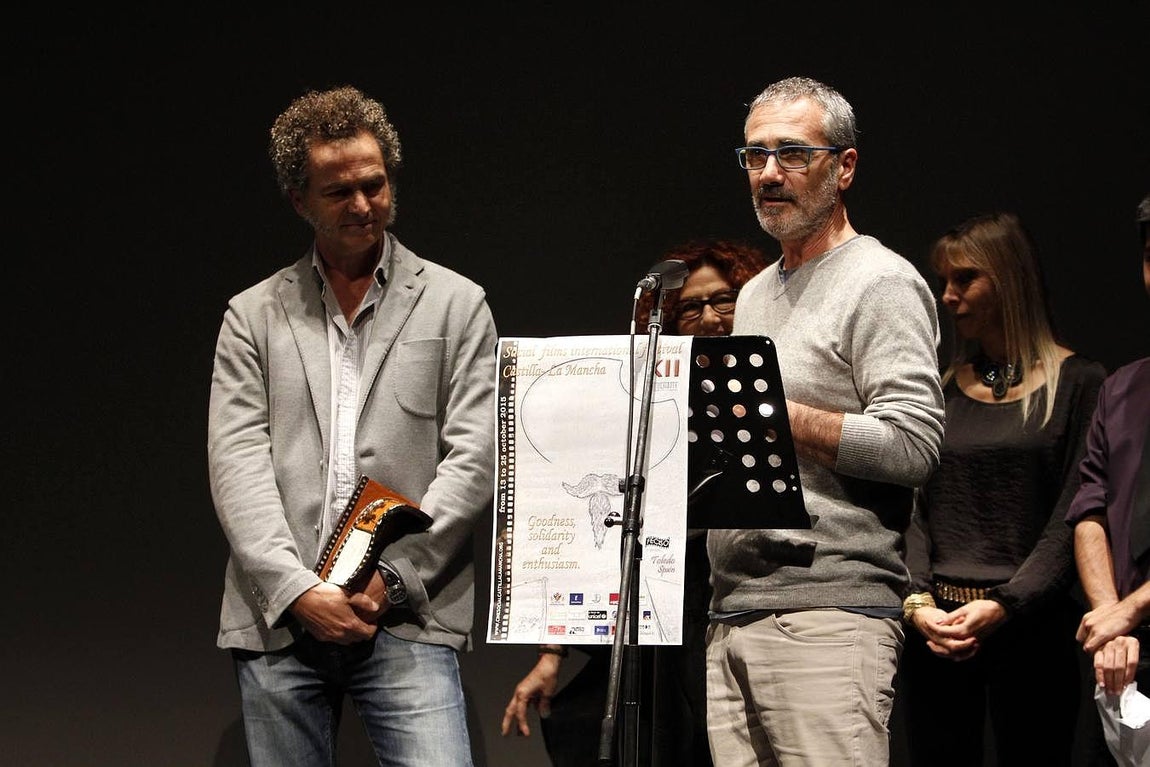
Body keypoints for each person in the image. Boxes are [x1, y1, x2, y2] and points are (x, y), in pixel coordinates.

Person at [207, 85, 497, 766]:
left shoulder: (457, 304)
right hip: (279, 614)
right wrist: (296, 589)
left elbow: (474, 457)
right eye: (340, 192)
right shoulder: (253, 316)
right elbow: (237, 462)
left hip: (403, 610)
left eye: (375, 184)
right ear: (299, 200)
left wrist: (392, 579)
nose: (364, 204)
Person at [707, 75, 946, 766]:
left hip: (828, 613)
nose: (769, 174)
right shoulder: (754, 293)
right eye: (755, 156)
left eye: (792, 154)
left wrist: (774, 413)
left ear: (844, 167)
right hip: (734, 612)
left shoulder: (881, 281)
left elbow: (913, 444)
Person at [500, 239, 769, 766]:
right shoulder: (643, 405)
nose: (710, 317)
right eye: (691, 307)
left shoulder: (772, 394)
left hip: (744, 608)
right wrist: (551, 654)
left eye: (724, 300)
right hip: (661, 615)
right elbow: (591, 522)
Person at [900, 211, 1107, 766]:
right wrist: (918, 601)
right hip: (939, 629)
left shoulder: (1080, 383)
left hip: (1031, 628)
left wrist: (1007, 605)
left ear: (1009, 279)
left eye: (965, 279)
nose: (948, 295)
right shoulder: (942, 389)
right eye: (944, 280)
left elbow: (1075, 509)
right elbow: (915, 506)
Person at [1067, 194, 1150, 750]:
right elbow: (1089, 507)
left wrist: (1128, 611)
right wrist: (1108, 615)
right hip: (1121, 654)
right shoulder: (1122, 388)